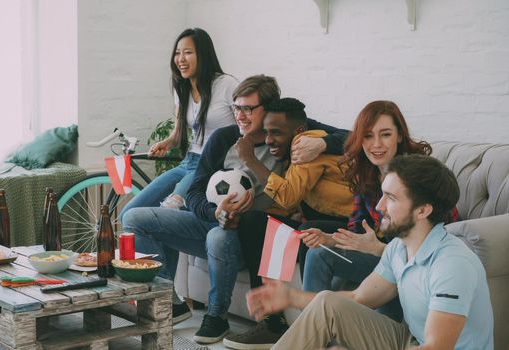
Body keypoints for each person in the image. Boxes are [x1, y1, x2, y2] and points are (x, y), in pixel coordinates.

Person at [123, 75, 348, 344]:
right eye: (236, 108)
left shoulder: (285, 132)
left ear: (269, 109)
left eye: (248, 109)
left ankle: (216, 317)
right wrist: (214, 212)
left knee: (218, 237)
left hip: (250, 231)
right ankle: (172, 303)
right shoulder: (223, 138)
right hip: (215, 220)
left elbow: (350, 136)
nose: (240, 116)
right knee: (133, 217)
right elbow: (194, 192)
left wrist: (322, 143)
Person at [246, 154, 494, 350]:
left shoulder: (452, 265)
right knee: (327, 302)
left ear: (422, 211)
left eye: (391, 198)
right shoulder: (399, 248)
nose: (378, 206)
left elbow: (437, 347)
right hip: (410, 341)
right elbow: (358, 298)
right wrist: (290, 297)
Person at [299, 100, 458, 323]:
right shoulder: (364, 173)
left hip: (414, 266)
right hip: (384, 258)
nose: (376, 144)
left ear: (400, 136)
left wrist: (379, 249)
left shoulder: (421, 175)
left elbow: (440, 241)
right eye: (368, 136)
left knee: (327, 265)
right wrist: (330, 239)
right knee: (318, 251)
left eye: (385, 135)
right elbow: (356, 230)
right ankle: (313, 332)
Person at [223, 97, 352, 349]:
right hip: (321, 220)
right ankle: (272, 321)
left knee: (267, 224)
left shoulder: (306, 146)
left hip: (345, 226)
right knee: (257, 221)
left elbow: (289, 194)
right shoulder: (302, 143)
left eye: (276, 133)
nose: (269, 140)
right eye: (266, 132)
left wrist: (250, 160)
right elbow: (294, 198)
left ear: (299, 132)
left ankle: (280, 324)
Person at [120, 28, 238, 220]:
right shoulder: (182, 89)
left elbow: (246, 127)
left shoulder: (227, 85)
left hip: (214, 164)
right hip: (189, 162)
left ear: (204, 54)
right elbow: (178, 134)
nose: (180, 59)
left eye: (188, 52)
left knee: (167, 213)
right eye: (177, 53)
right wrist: (168, 142)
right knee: (127, 213)